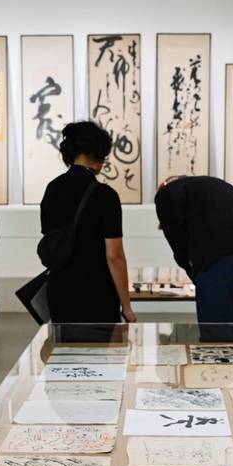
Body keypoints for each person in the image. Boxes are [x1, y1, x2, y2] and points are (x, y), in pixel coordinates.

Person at [39, 121, 136, 327]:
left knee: (65, 346)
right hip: (96, 292)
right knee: (99, 347)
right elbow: (114, 256)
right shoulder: (105, 195)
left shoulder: (52, 188)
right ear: (96, 153)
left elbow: (50, 237)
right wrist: (126, 306)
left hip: (59, 290)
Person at [154, 175, 233, 331]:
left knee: (217, 335)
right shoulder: (222, 185)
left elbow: (177, 244)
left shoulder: (166, 193)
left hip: (219, 262)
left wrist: (196, 276)